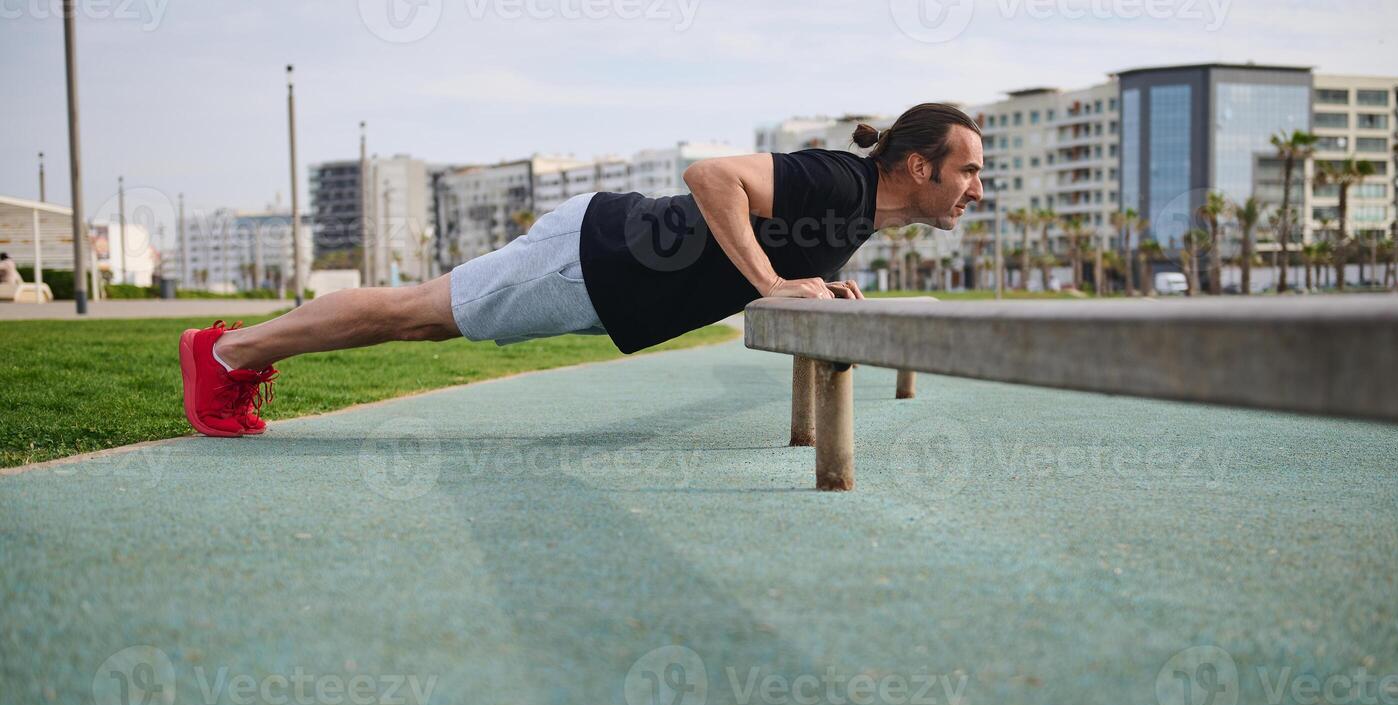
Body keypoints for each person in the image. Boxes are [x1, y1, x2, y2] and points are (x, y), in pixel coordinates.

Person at [178, 102, 984, 437]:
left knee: (418, 311)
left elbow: (769, 245)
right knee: (414, 312)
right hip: (599, 261)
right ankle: (224, 356)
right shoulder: (840, 179)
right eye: (967, 171)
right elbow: (711, 176)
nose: (975, 190)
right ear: (915, 165)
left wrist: (803, 280)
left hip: (608, 266)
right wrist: (772, 285)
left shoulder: (855, 212)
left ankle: (234, 354)